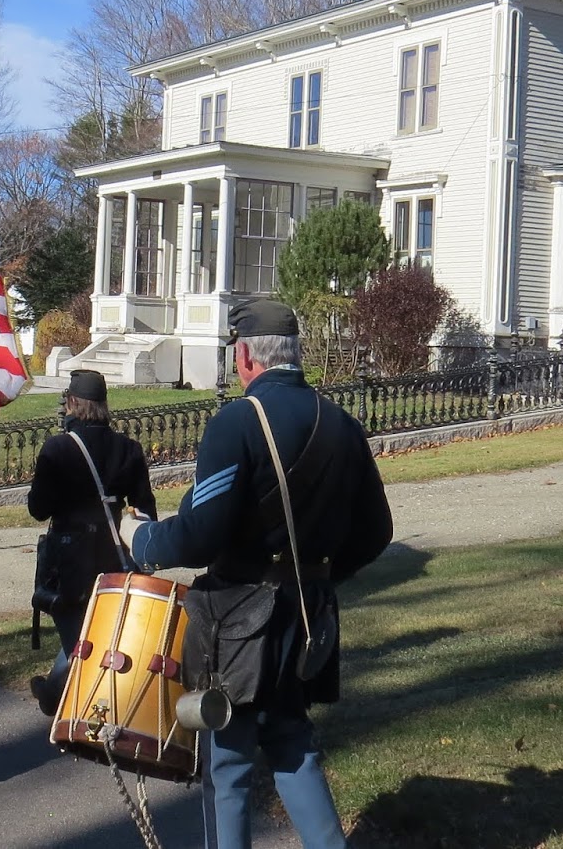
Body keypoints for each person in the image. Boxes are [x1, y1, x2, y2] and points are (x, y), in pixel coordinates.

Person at [122, 300, 393, 849]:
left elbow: (200, 535)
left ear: (244, 354)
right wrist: (316, 576)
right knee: (293, 745)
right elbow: (377, 532)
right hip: (309, 615)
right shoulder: (342, 423)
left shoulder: (238, 421)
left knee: (228, 764)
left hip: (239, 621)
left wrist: (141, 539)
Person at [25, 369, 157, 716]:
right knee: (93, 634)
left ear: (71, 402)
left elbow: (38, 509)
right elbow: (145, 509)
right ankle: (55, 692)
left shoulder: (58, 448)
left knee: (79, 642)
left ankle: (69, 702)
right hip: (115, 557)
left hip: (69, 560)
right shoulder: (128, 448)